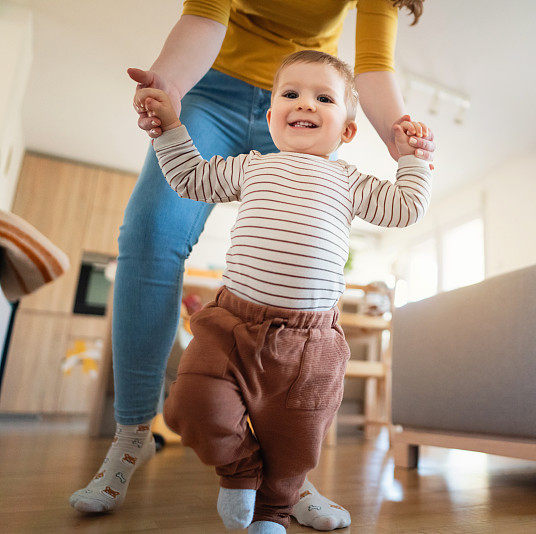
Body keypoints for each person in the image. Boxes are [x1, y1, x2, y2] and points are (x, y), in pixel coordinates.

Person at [68, 1, 434, 531]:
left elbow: (374, 63)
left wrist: (407, 147)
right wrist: (167, 92)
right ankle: (131, 437)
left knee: (311, 246)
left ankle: (287, 476)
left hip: (304, 86)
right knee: (150, 234)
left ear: (346, 131)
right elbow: (205, 15)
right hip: (214, 85)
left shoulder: (341, 167)